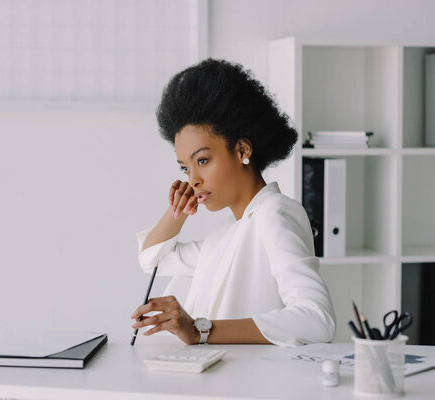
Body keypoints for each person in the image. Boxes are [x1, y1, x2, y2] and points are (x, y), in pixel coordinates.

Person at [130, 59, 336, 347]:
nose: (193, 179)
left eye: (202, 161)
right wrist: (177, 213)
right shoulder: (226, 235)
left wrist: (200, 330)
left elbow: (317, 320)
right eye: (185, 168)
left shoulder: (274, 213)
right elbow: (152, 258)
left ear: (241, 151)